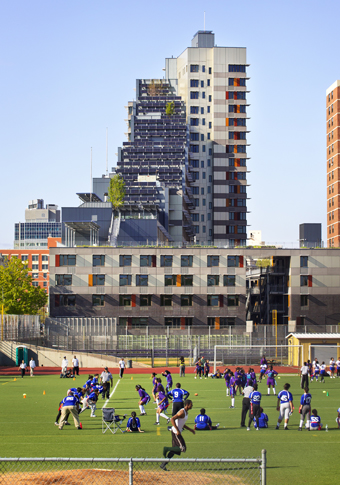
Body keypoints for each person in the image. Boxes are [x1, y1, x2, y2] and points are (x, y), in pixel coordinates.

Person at [160, 400, 195, 470]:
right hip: (176, 432)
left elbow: (182, 423)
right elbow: (172, 419)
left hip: (177, 432)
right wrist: (177, 430)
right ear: (187, 405)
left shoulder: (186, 413)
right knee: (183, 448)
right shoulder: (182, 412)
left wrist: (190, 429)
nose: (192, 406)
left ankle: (163, 464)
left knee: (175, 451)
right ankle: (167, 449)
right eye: (191, 404)